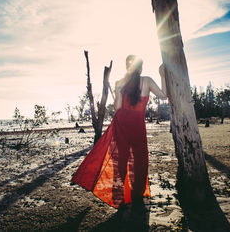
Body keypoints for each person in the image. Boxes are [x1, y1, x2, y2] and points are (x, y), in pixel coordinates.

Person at [71, 55, 167, 208]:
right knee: (141, 161)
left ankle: (121, 195)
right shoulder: (147, 80)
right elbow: (163, 95)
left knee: (121, 160)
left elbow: (117, 108)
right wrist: (162, 74)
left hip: (122, 124)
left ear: (127, 67)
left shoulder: (121, 82)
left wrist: (117, 90)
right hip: (137, 126)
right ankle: (136, 195)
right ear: (140, 68)